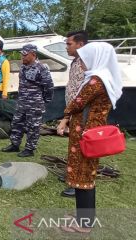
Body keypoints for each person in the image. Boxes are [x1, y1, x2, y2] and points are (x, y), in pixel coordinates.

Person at [57, 42, 122, 233]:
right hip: (87, 133)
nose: (82, 63)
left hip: (86, 136)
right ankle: (83, 217)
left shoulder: (96, 80)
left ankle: (84, 224)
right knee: (84, 175)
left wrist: (65, 116)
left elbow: (78, 102)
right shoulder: (101, 78)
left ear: (96, 58)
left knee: (83, 175)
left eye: (84, 59)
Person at [1, 44, 54, 157]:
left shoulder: (41, 68)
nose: (22, 57)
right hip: (22, 102)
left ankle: (29, 149)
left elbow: (49, 86)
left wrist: (45, 100)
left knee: (33, 126)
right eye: (22, 55)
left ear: (33, 55)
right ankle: (14, 144)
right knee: (17, 123)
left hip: (35, 104)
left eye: (25, 55)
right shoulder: (23, 67)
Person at [60, 30, 88, 198]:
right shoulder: (75, 62)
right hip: (73, 111)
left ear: (80, 44)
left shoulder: (88, 62)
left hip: (83, 112)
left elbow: (85, 90)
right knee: (73, 146)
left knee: (80, 148)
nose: (66, 47)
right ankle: (72, 176)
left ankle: (78, 184)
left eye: (69, 44)